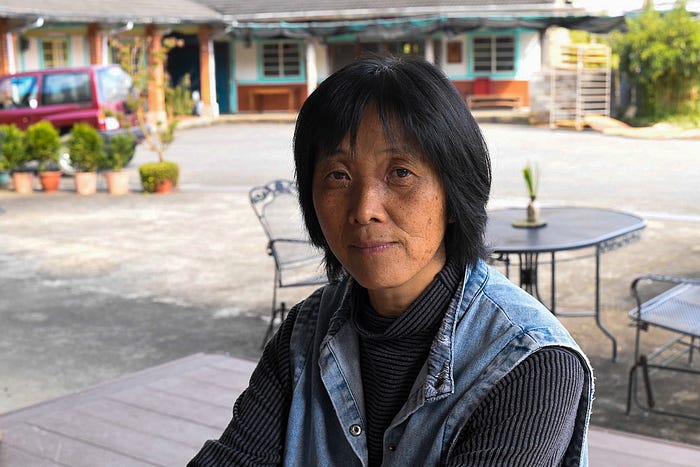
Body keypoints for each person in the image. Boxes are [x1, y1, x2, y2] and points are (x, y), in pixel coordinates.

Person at [189, 55, 593, 467]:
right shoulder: (304, 334)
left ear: (454, 193)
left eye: (400, 173)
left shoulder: (532, 362)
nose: (364, 210)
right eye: (338, 175)